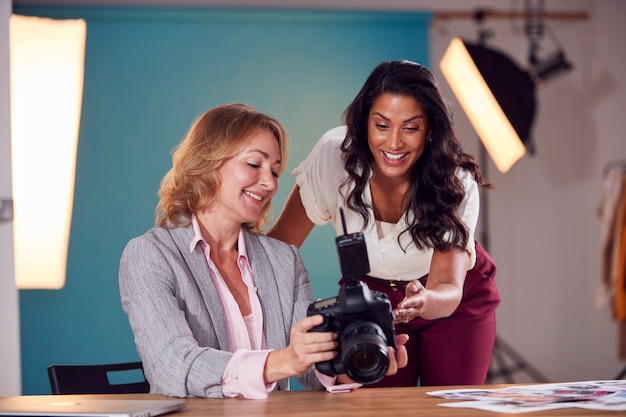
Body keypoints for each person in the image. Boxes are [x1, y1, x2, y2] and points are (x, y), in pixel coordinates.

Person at [119, 103, 408, 399]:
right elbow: (171, 366)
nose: (270, 183)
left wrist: (358, 359)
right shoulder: (150, 256)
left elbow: (311, 373)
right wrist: (282, 361)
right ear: (207, 162)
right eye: (254, 164)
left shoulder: (284, 259)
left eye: (275, 170)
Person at [268, 61, 501, 387]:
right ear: (364, 123)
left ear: (430, 129)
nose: (393, 143)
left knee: (452, 406)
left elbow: (448, 286)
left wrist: (425, 301)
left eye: (410, 127)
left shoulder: (456, 182)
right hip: (371, 298)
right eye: (382, 125)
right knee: (376, 407)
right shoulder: (333, 159)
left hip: (450, 302)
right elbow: (277, 250)